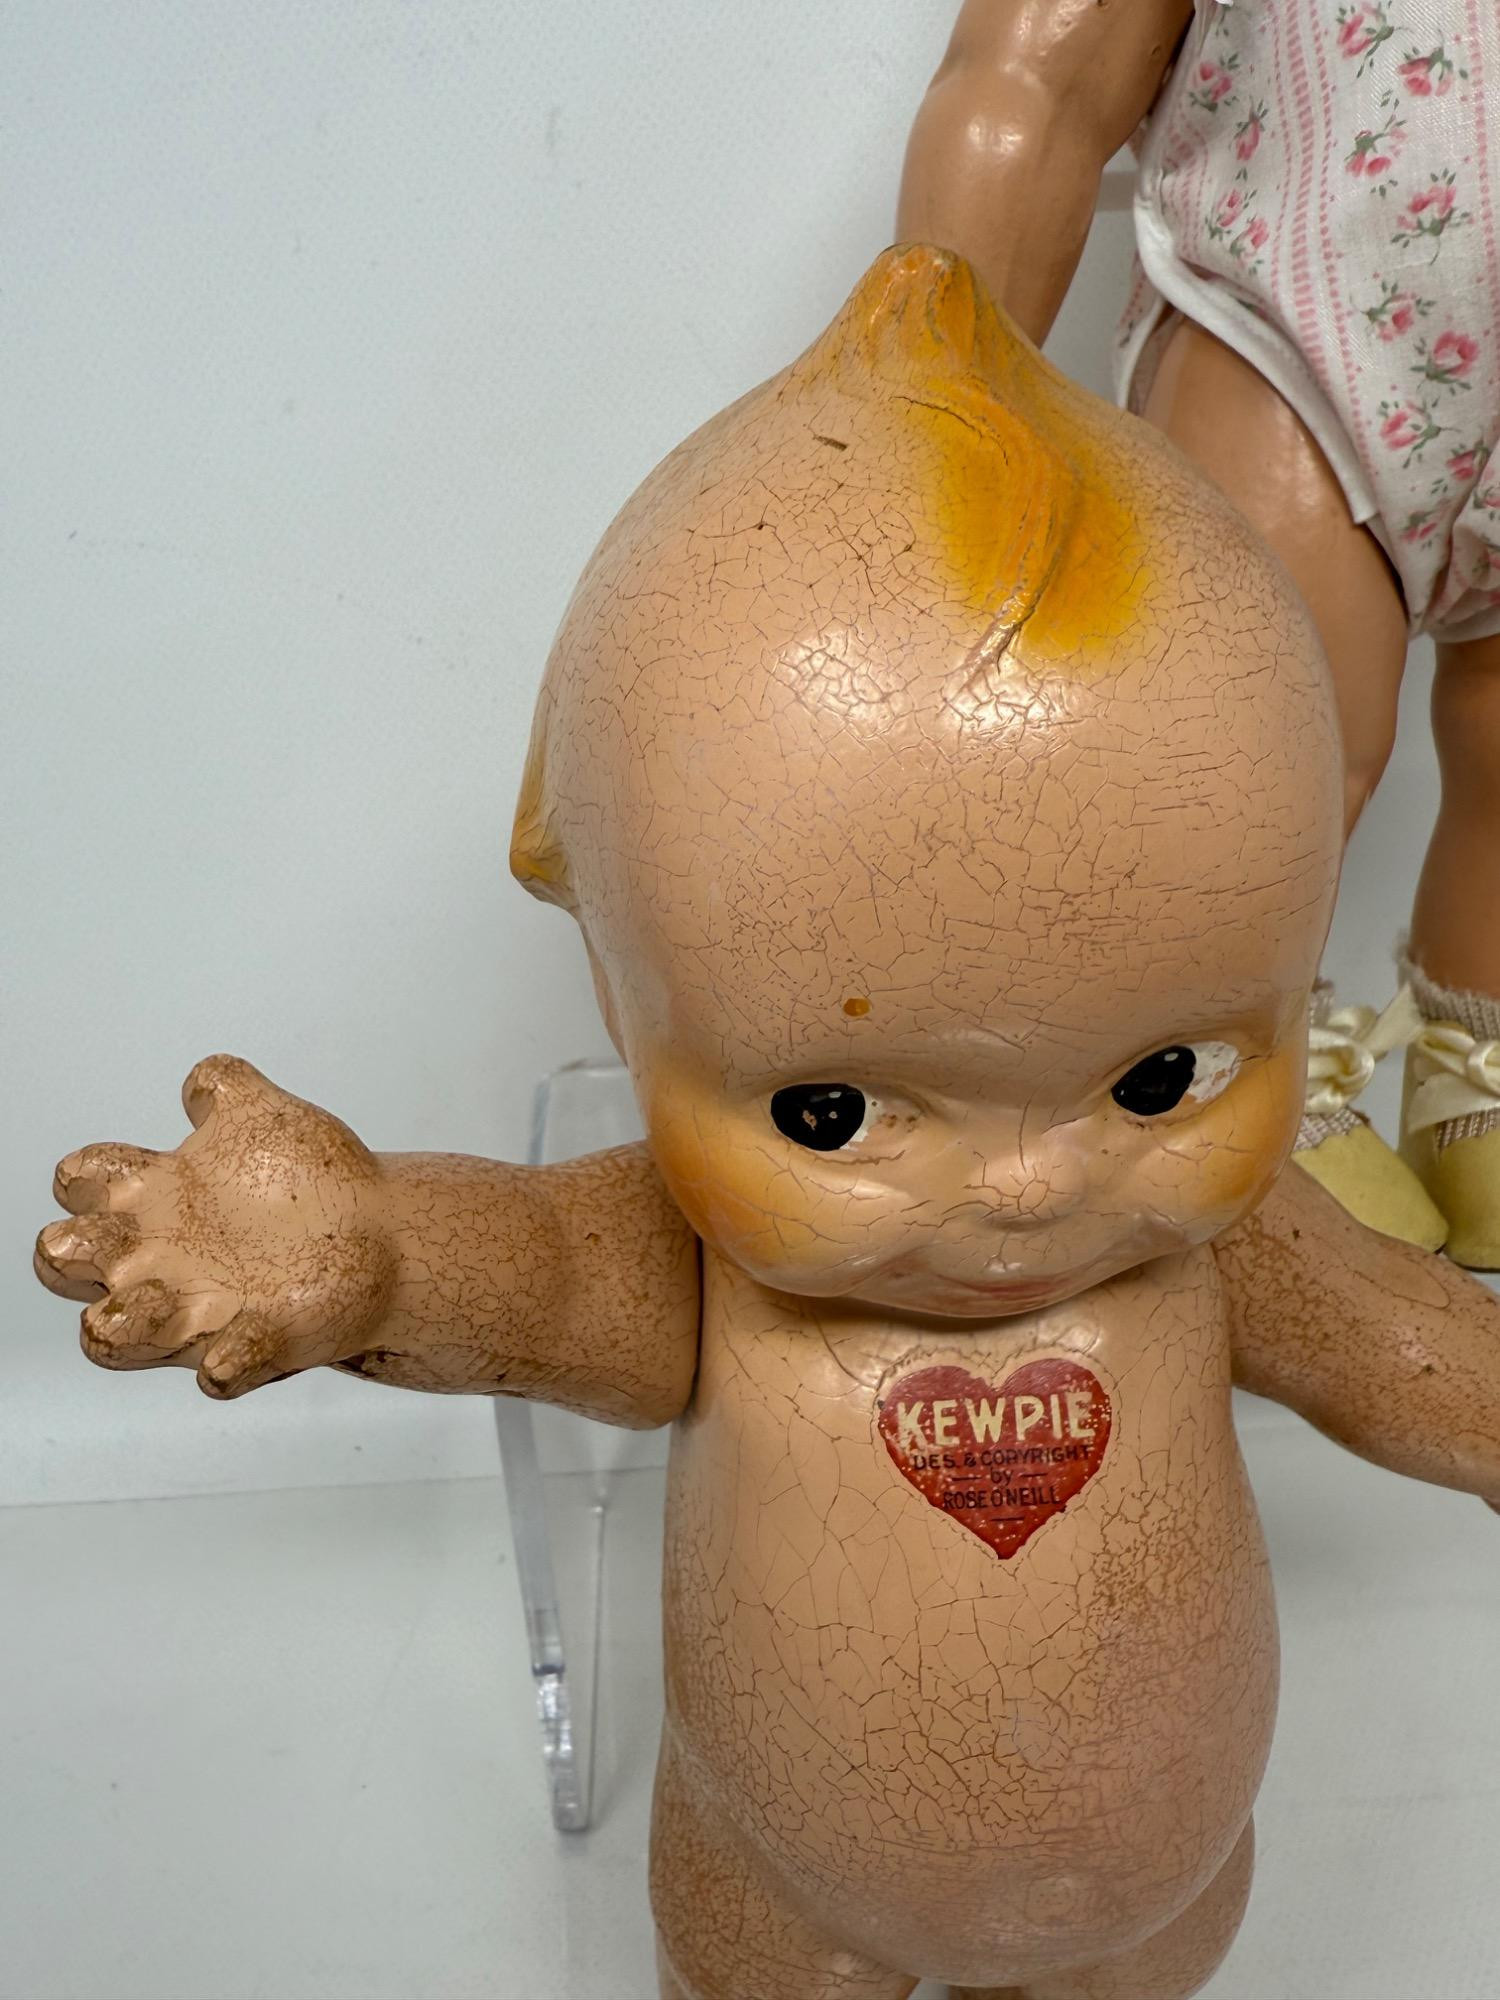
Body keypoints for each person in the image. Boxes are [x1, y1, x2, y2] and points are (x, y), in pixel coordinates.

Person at [898, 0, 1500, 1266]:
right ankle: (1213, 1084)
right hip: (1308, 316)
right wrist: (934, 397)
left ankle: (1477, 1084)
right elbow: (1036, 78)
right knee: (1270, 745)